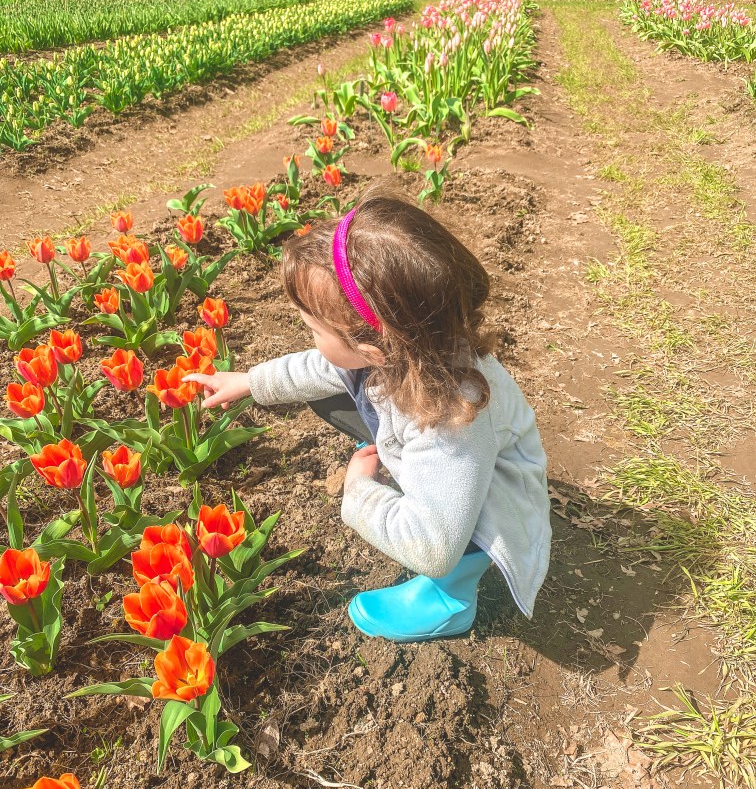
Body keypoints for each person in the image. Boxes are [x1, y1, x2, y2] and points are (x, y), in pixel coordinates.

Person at [187, 193, 551, 643]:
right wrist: (252, 382)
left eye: (314, 330)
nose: (310, 339)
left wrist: (359, 491)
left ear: (374, 346)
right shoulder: (417, 343)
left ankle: (450, 601)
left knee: (448, 552)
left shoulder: (452, 420)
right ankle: (422, 492)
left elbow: (434, 547)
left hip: (489, 512)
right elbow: (322, 367)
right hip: (450, 466)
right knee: (328, 390)